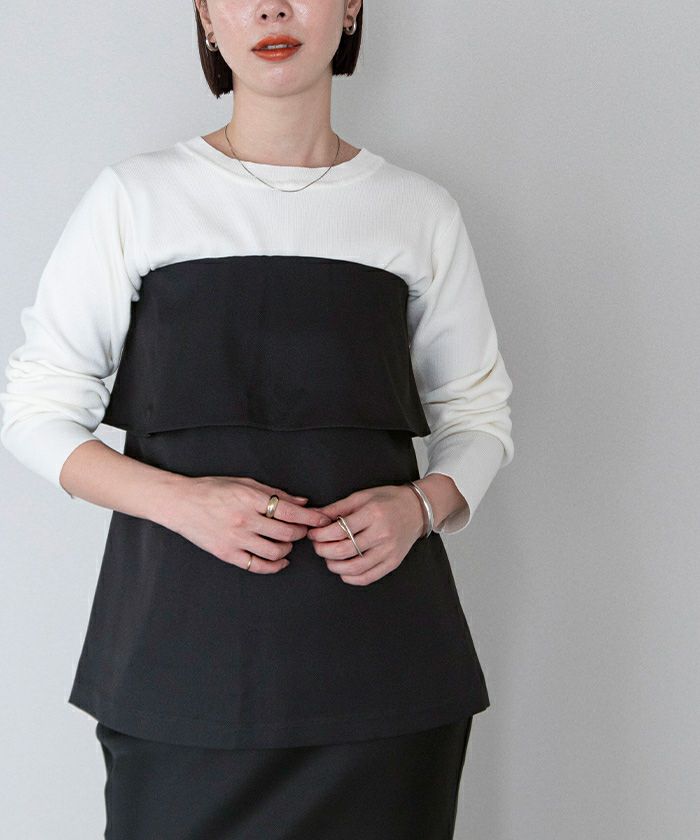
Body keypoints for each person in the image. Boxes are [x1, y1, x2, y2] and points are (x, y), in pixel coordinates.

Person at [0, 1, 515, 837]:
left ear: (351, 6)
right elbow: (35, 410)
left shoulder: (417, 210)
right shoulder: (137, 197)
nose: (273, 7)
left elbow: (479, 412)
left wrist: (421, 506)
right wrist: (183, 502)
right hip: (178, 664)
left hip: (385, 675)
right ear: (206, 16)